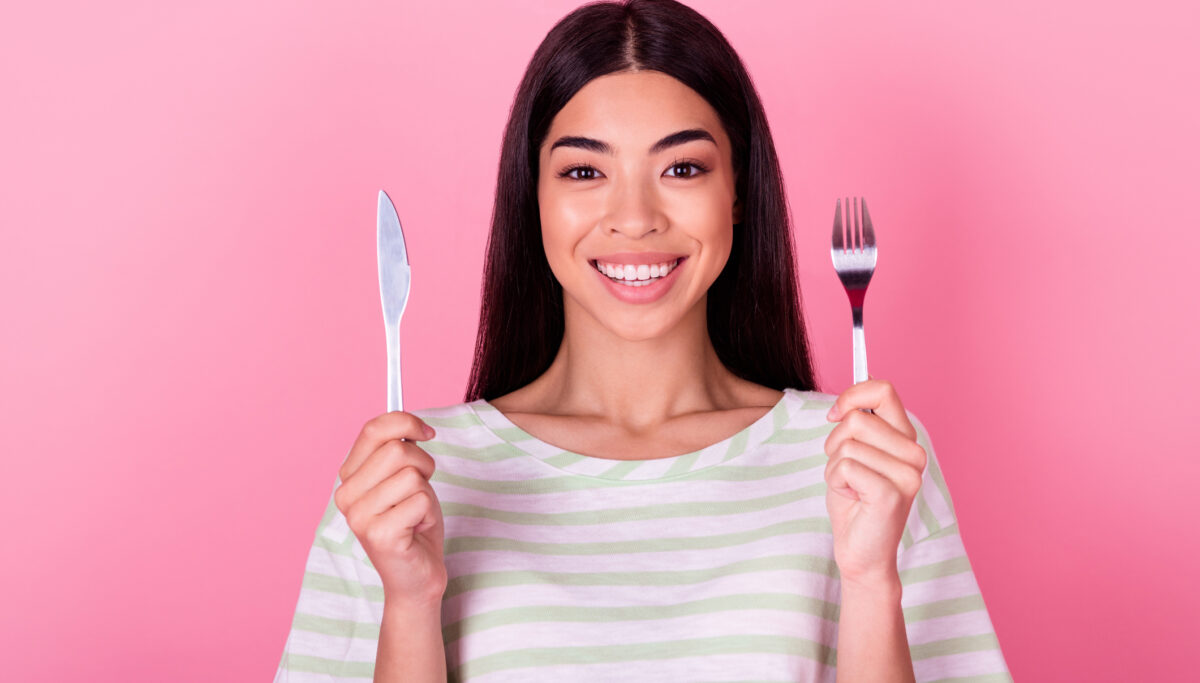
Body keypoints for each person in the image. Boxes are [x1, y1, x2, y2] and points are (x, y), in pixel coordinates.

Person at [273, 1, 1010, 681]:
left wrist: (871, 580)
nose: (633, 216)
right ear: (533, 199)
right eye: (585, 170)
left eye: (682, 167)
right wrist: (409, 602)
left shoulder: (867, 457)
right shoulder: (403, 482)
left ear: (739, 193)